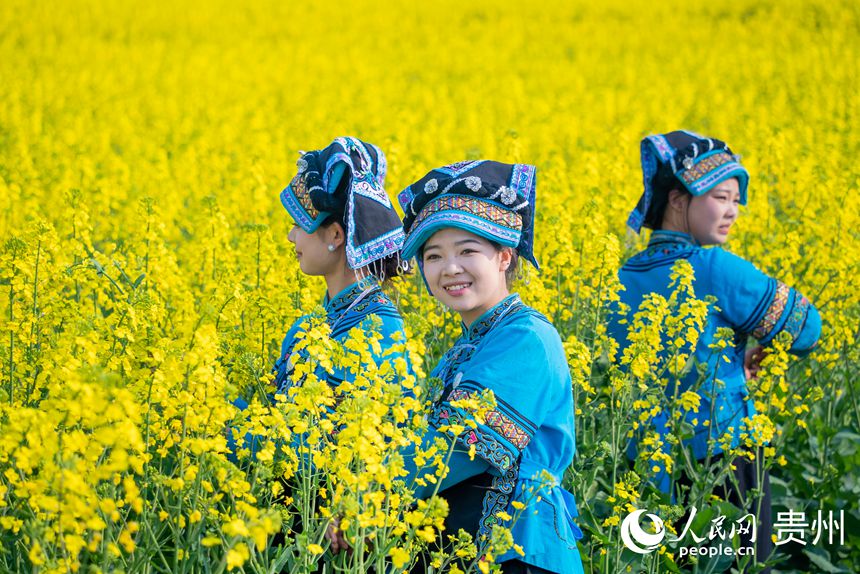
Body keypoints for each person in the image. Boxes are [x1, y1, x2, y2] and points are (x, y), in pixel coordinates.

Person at [610, 130, 822, 570]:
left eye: (737, 201)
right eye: (722, 196)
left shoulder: (621, 277)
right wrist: (764, 343)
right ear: (677, 199)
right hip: (724, 466)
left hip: (645, 472)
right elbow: (806, 329)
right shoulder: (713, 267)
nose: (732, 211)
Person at [388, 160, 583, 573]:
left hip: (521, 553)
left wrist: (369, 499)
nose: (449, 268)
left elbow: (462, 445)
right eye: (433, 256)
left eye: (467, 251)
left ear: (504, 256)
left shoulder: (526, 338)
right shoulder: (464, 349)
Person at [229, 136, 410, 450]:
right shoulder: (308, 327)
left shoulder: (379, 330)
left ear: (336, 236)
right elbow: (272, 418)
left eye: (298, 225)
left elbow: (324, 453)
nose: (290, 236)